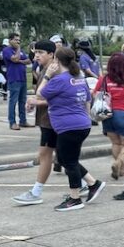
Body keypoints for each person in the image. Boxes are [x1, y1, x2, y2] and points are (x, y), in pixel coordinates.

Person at [13, 41, 88, 206]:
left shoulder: (54, 72)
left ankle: (36, 192)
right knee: (63, 156)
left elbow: (57, 97)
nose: (36, 55)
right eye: (35, 52)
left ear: (52, 54)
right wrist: (34, 103)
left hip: (53, 121)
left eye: (40, 52)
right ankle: (87, 183)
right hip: (50, 120)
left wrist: (37, 101)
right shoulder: (45, 70)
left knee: (48, 155)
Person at [31, 47, 105, 211]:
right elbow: (87, 99)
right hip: (81, 124)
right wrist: (86, 117)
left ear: (56, 61)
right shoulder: (79, 78)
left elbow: (40, 94)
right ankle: (93, 183)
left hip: (68, 126)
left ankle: (75, 198)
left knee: (69, 161)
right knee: (64, 159)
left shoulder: (59, 80)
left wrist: (48, 75)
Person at [94, 52, 124, 180]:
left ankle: (122, 169)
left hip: (107, 114)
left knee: (116, 143)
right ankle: (119, 162)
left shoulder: (104, 79)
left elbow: (95, 94)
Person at [2, 33, 33, 129]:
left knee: (22, 101)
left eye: (19, 40)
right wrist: (18, 49)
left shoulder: (21, 51)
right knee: (13, 101)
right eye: (16, 40)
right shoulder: (7, 50)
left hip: (23, 78)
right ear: (10, 40)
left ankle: (23, 121)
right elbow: (15, 59)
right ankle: (12, 122)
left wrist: (20, 60)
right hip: (14, 78)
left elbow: (29, 61)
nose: (18, 42)